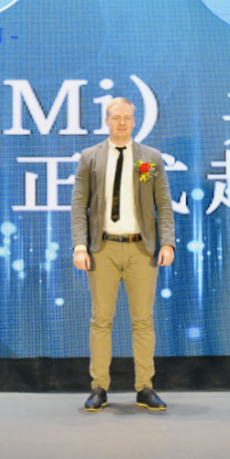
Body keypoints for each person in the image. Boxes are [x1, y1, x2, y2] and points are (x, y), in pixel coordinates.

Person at [71, 98, 175, 412]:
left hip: (141, 250)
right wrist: (79, 246)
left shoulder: (150, 158)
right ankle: (99, 387)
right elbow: (79, 205)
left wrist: (167, 243)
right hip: (102, 249)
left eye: (127, 117)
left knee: (143, 320)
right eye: (116, 117)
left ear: (134, 121)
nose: (121, 123)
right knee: (101, 320)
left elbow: (163, 204)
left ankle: (145, 387)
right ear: (106, 121)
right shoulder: (90, 157)